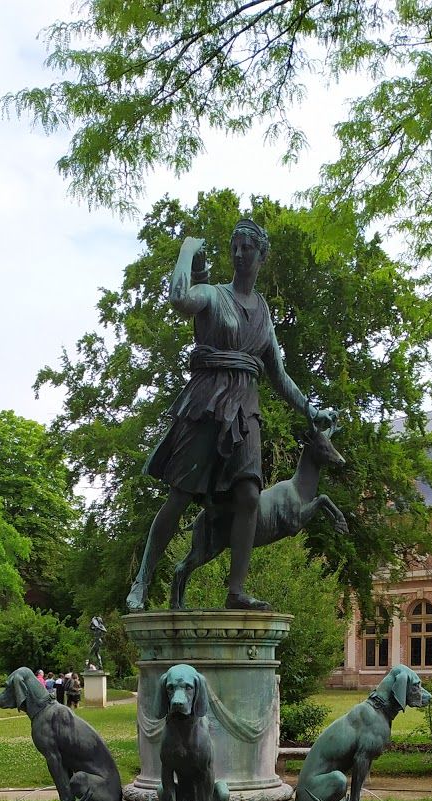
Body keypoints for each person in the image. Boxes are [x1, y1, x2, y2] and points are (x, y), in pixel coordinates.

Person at [127, 217, 335, 613]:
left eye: (247, 249)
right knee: (180, 494)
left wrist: (310, 408)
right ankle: (142, 580)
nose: (239, 255)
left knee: (249, 495)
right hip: (206, 402)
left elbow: (278, 372)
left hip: (244, 408)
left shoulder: (263, 312)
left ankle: (236, 590)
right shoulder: (212, 294)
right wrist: (187, 249)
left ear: (262, 256)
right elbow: (178, 299)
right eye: (234, 247)